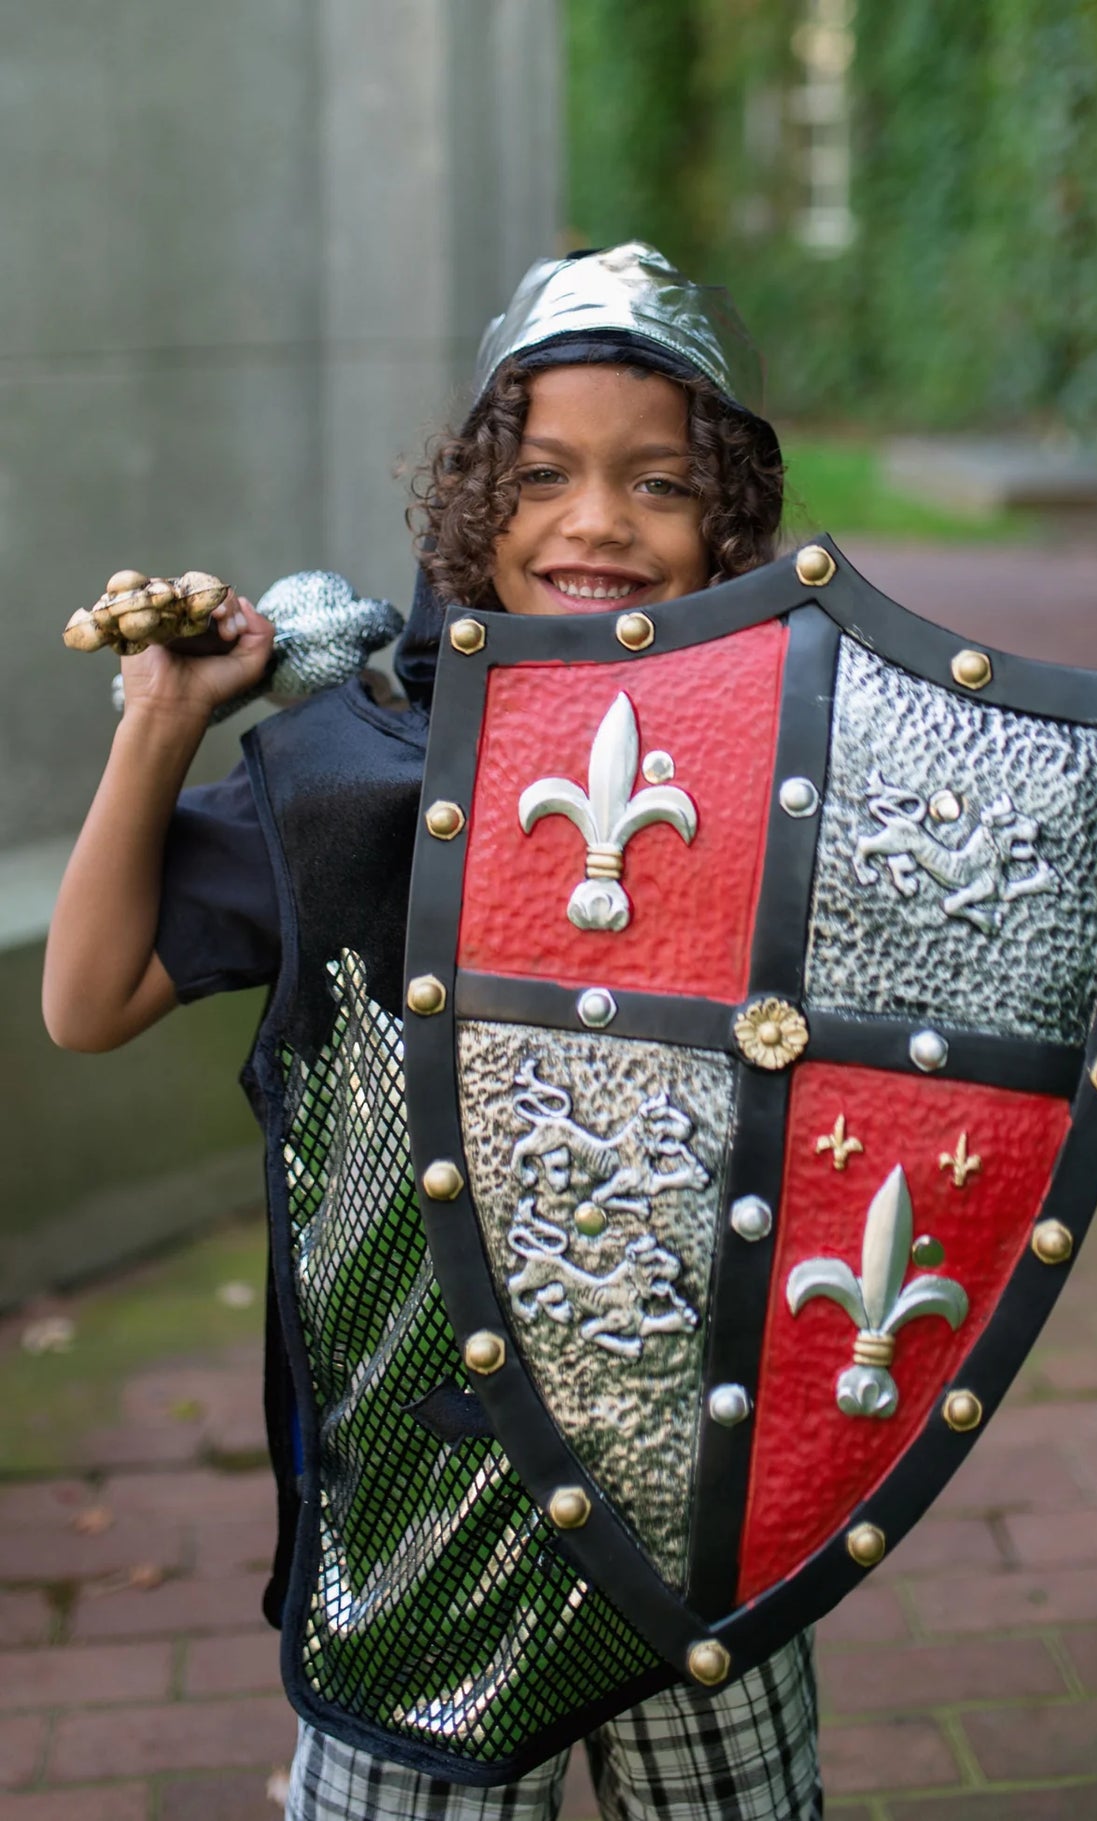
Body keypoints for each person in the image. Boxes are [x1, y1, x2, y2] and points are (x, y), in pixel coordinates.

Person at [44, 244, 822, 1820]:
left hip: (689, 1504)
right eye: (542, 475)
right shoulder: (361, 779)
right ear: (475, 499)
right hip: (421, 1509)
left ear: (727, 521)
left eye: (656, 483)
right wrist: (165, 723)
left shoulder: (787, 778)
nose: (595, 521)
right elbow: (84, 998)